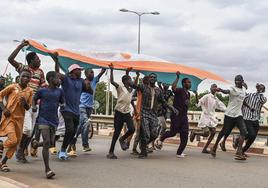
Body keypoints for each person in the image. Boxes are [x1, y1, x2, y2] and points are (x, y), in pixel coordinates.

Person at [8, 40, 46, 162]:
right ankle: (19, 150)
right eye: (37, 59)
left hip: (36, 105)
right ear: (31, 61)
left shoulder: (40, 72)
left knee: (31, 131)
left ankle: (21, 151)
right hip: (23, 104)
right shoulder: (24, 68)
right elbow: (10, 59)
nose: (39, 61)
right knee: (27, 129)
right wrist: (21, 46)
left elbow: (43, 88)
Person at [53, 57, 93, 160]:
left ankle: (65, 149)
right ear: (73, 71)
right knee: (69, 129)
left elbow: (90, 91)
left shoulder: (81, 81)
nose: (81, 71)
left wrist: (88, 85)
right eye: (79, 69)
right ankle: (62, 151)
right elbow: (57, 73)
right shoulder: (66, 79)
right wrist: (56, 60)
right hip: (66, 109)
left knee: (73, 132)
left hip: (76, 111)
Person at [136, 73, 178, 159]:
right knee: (146, 134)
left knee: (154, 134)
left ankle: (143, 144)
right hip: (144, 113)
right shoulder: (144, 87)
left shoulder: (158, 90)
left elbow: (163, 101)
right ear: (148, 79)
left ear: (156, 79)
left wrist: (171, 108)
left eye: (154, 77)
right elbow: (133, 85)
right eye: (151, 77)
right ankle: (143, 152)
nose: (152, 78)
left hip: (153, 114)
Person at [31, 71, 64, 178]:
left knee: (50, 143)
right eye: (57, 78)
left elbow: (62, 102)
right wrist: (34, 106)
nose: (59, 80)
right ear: (50, 79)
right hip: (43, 119)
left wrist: (63, 105)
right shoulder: (42, 91)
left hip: (54, 120)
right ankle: (47, 169)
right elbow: (34, 98)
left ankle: (35, 144)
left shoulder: (60, 91)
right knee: (47, 142)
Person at [155, 71, 196, 158]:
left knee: (185, 134)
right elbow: (173, 88)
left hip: (184, 117)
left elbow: (186, 104)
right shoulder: (180, 90)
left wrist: (187, 103)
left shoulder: (188, 93)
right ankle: (161, 138)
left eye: (190, 82)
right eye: (188, 82)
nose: (190, 84)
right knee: (173, 133)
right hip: (176, 116)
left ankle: (179, 152)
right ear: (184, 83)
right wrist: (177, 77)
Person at [210, 75, 251, 160]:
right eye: (235, 81)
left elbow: (242, 100)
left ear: (242, 81)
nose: (237, 82)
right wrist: (220, 90)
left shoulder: (243, 89)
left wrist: (249, 107)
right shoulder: (233, 89)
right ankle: (214, 147)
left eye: (238, 81)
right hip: (229, 114)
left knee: (244, 132)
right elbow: (226, 91)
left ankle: (239, 152)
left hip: (238, 114)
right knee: (224, 131)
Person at [0, 69, 33, 172]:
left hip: (20, 119)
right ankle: (1, 146)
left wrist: (25, 103)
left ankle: (3, 162)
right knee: (13, 140)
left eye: (28, 77)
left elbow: (28, 107)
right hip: (9, 117)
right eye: (23, 76)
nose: (25, 78)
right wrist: (4, 108)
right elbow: (0, 95)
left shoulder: (30, 91)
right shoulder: (13, 87)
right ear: (19, 76)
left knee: (16, 143)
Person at [68, 68, 106, 156]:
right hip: (81, 106)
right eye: (91, 72)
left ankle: (72, 142)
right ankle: (85, 145)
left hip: (89, 108)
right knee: (86, 122)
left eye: (93, 72)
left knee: (81, 126)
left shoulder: (95, 80)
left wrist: (105, 67)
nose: (92, 74)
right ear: (86, 74)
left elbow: (101, 72)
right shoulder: (82, 82)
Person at [107, 65, 139, 159]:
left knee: (132, 129)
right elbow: (112, 81)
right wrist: (112, 69)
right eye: (130, 80)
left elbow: (133, 84)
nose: (131, 82)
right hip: (119, 112)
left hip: (127, 113)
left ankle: (122, 139)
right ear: (125, 81)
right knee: (116, 132)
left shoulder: (130, 89)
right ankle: (111, 152)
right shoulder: (120, 87)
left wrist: (134, 75)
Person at [189, 84, 226, 154]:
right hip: (205, 117)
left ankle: (204, 149)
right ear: (210, 88)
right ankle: (194, 133)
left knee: (213, 132)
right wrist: (196, 94)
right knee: (206, 133)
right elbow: (198, 103)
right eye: (213, 87)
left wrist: (228, 110)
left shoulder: (216, 98)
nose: (215, 88)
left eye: (216, 87)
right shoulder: (206, 96)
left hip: (212, 118)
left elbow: (222, 106)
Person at [232, 83, 267, 156]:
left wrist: (259, 91)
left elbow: (262, 101)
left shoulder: (263, 98)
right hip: (247, 118)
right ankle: (238, 142)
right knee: (251, 134)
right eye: (260, 87)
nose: (260, 88)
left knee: (253, 137)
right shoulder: (250, 95)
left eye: (262, 88)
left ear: (263, 90)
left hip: (256, 119)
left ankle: (242, 149)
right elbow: (242, 99)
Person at [130, 76, 149, 155]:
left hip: (144, 114)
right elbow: (134, 86)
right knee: (139, 132)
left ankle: (142, 147)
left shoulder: (148, 91)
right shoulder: (140, 90)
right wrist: (137, 76)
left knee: (143, 132)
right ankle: (134, 148)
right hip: (139, 114)